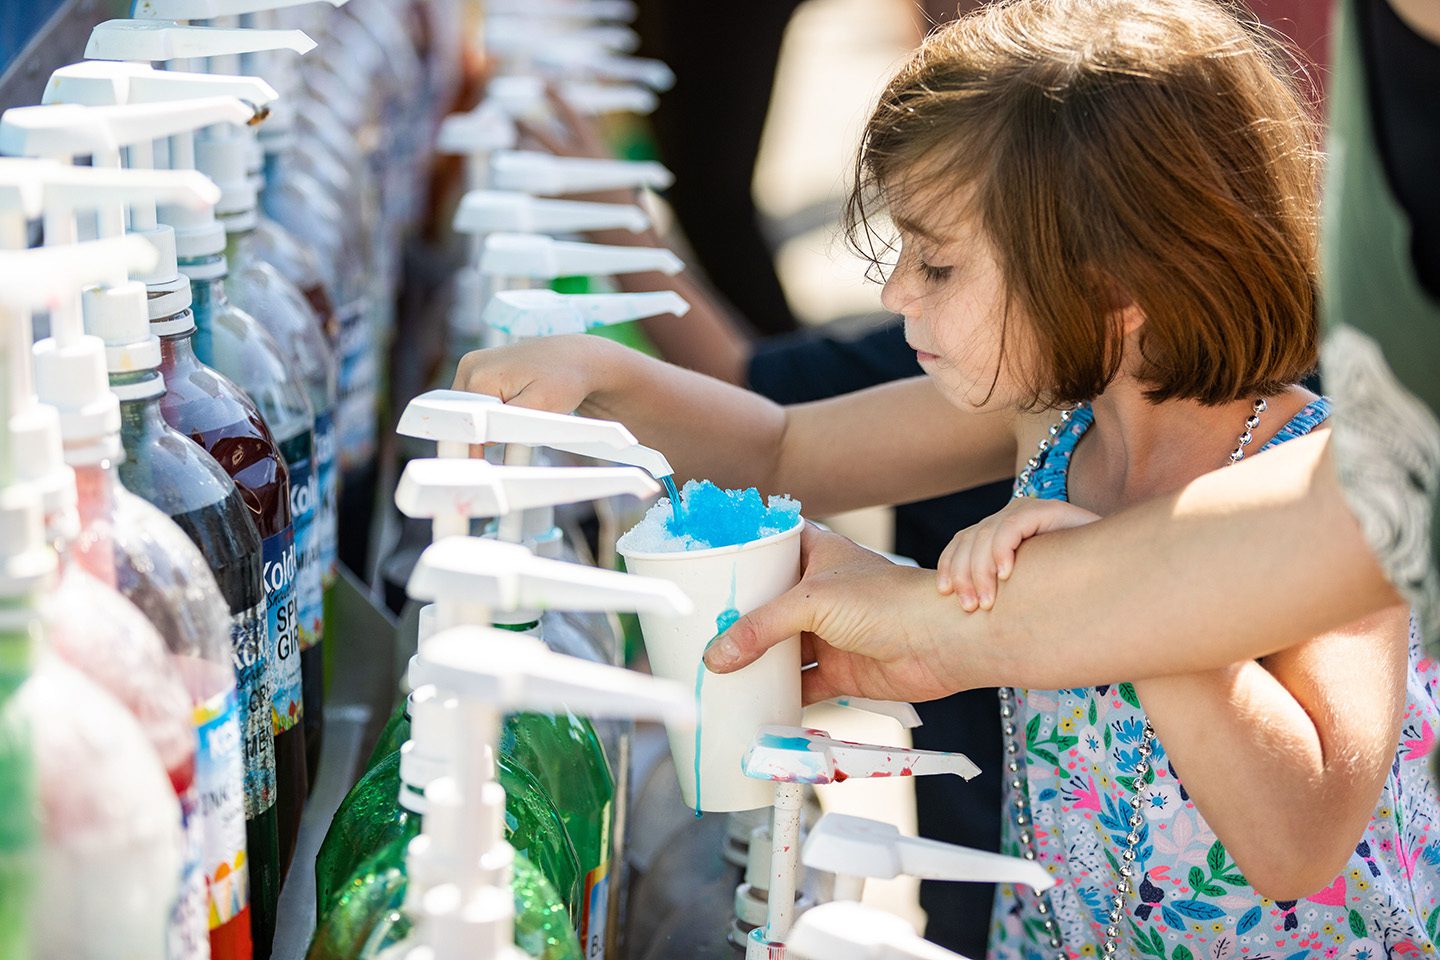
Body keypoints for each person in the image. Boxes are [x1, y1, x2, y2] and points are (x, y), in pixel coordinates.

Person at [457, 0, 1440, 953]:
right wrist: (603, 374)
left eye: (935, 267)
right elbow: (778, 450)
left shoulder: (1342, 491)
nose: (890, 295)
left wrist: (1125, 602)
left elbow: (1299, 845)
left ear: (1109, 287)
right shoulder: (1054, 424)